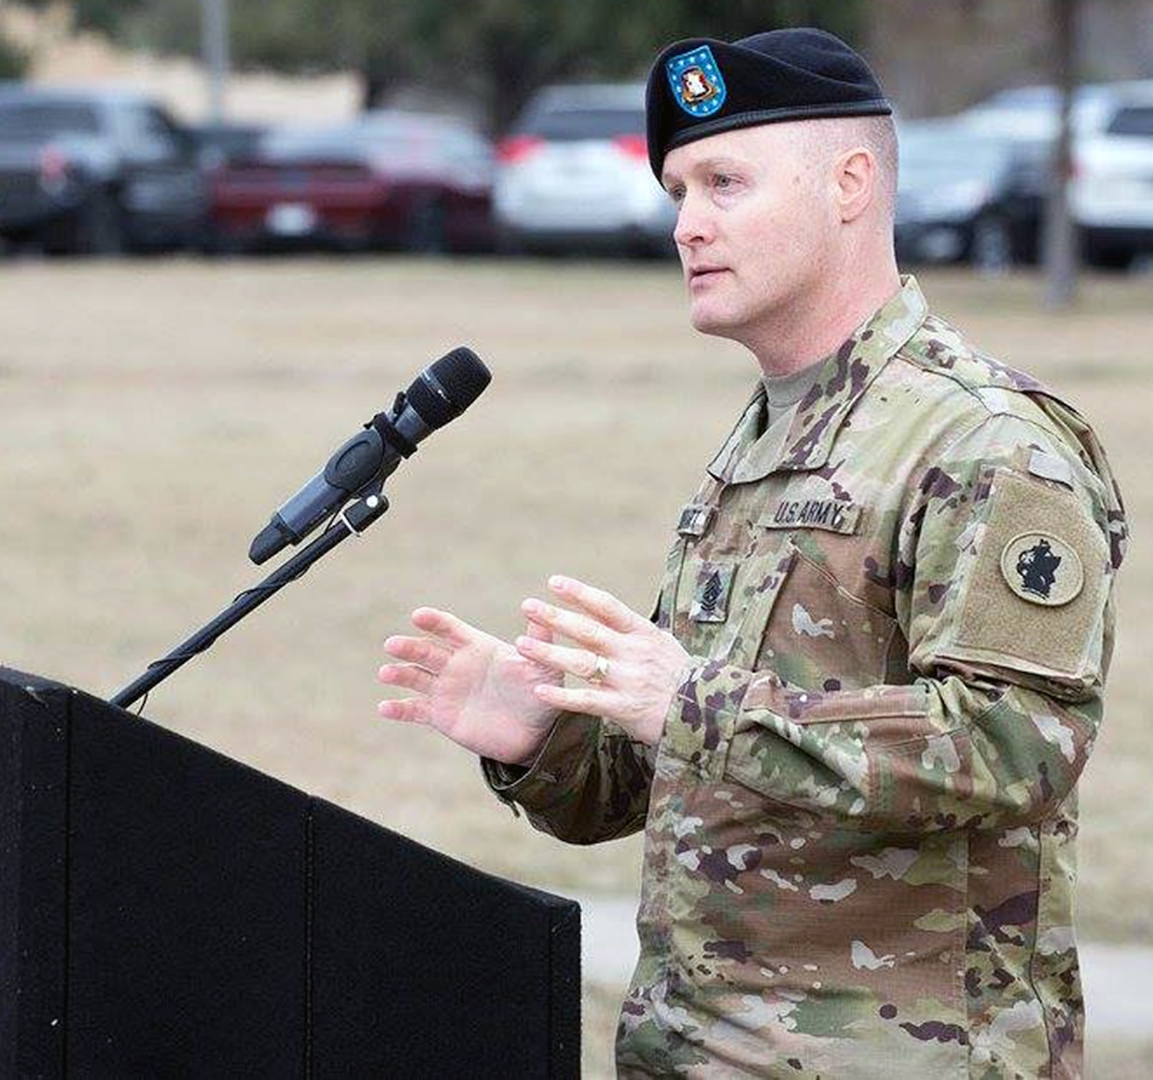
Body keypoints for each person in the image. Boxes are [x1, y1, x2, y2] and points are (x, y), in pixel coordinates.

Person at [377, 28, 1127, 1078]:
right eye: (678, 189)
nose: (685, 224)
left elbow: (1013, 746)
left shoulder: (982, 443)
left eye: (724, 183)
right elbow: (692, 770)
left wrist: (689, 703)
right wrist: (542, 739)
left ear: (850, 183)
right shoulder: (765, 440)